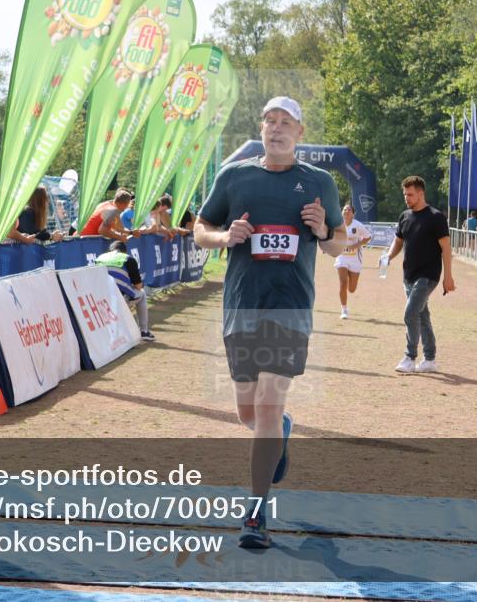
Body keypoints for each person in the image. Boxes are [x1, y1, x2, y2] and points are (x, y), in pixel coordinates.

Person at [193, 96, 345, 549]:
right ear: (261, 128)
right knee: (248, 411)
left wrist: (322, 230)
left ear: (300, 132)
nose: (276, 128)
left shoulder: (319, 182)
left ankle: (255, 512)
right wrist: (226, 236)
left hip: (290, 307)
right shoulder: (234, 176)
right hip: (242, 307)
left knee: (267, 403)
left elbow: (338, 245)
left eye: (286, 122)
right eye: (270, 121)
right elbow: (200, 230)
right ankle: (279, 431)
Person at [380, 175, 456, 374]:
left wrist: (448, 277)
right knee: (422, 316)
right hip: (409, 275)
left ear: (421, 193)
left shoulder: (436, 217)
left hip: (428, 276)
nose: (407, 198)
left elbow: (446, 248)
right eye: (405, 194)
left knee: (410, 313)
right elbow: (398, 241)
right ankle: (430, 359)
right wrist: (388, 256)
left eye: (410, 194)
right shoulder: (404, 216)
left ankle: (409, 357)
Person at [95, 240, 154, 341]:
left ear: (109, 251)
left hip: (100, 300)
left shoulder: (99, 258)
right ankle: (144, 331)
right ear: (124, 251)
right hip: (118, 300)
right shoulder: (128, 259)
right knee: (142, 294)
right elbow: (138, 286)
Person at [335, 203, 372, 319]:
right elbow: (331, 236)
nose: (346, 211)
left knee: (351, 289)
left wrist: (357, 245)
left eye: (349, 210)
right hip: (342, 257)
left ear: (353, 214)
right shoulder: (338, 224)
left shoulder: (358, 225)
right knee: (343, 283)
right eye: (344, 209)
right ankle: (344, 309)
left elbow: (368, 237)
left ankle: (349, 280)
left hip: (355, 259)